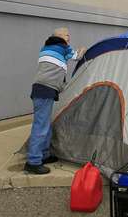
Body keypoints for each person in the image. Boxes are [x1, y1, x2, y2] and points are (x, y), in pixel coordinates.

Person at [24, 27, 86, 174]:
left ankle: (44, 155)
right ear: (58, 36)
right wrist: (83, 49)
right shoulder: (63, 47)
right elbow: (77, 56)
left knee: (45, 124)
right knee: (40, 126)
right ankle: (33, 161)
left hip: (42, 89)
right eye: (67, 35)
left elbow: (56, 71)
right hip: (45, 90)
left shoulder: (47, 47)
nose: (69, 37)